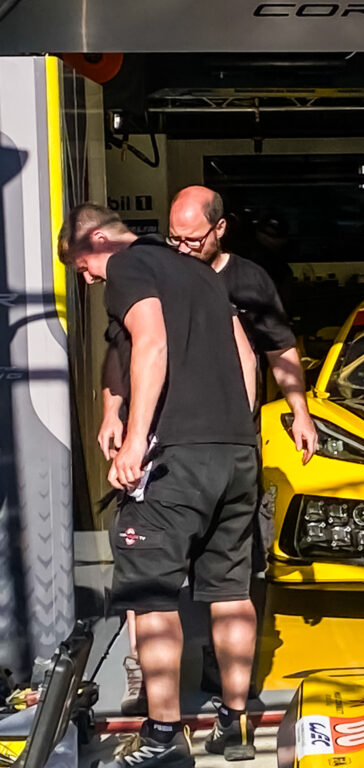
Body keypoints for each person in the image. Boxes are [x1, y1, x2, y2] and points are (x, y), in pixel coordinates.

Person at [99, 186, 319, 715]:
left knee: (200, 579)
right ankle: (162, 690)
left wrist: (300, 410)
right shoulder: (162, 270)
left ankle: (209, 701)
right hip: (189, 444)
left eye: (192, 237)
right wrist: (112, 412)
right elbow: (121, 349)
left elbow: (279, 346)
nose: (181, 246)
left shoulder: (242, 279)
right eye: (173, 235)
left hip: (208, 444)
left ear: (221, 229)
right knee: (171, 577)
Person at [59, 204, 261, 768]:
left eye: (82, 265)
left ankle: (161, 738)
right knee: (230, 591)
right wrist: (232, 430)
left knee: (149, 597)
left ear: (98, 240)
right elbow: (246, 358)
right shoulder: (199, 269)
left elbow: (149, 343)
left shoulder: (128, 267)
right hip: (236, 453)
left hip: (177, 459)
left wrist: (134, 441)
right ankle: (235, 722)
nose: (88, 278)